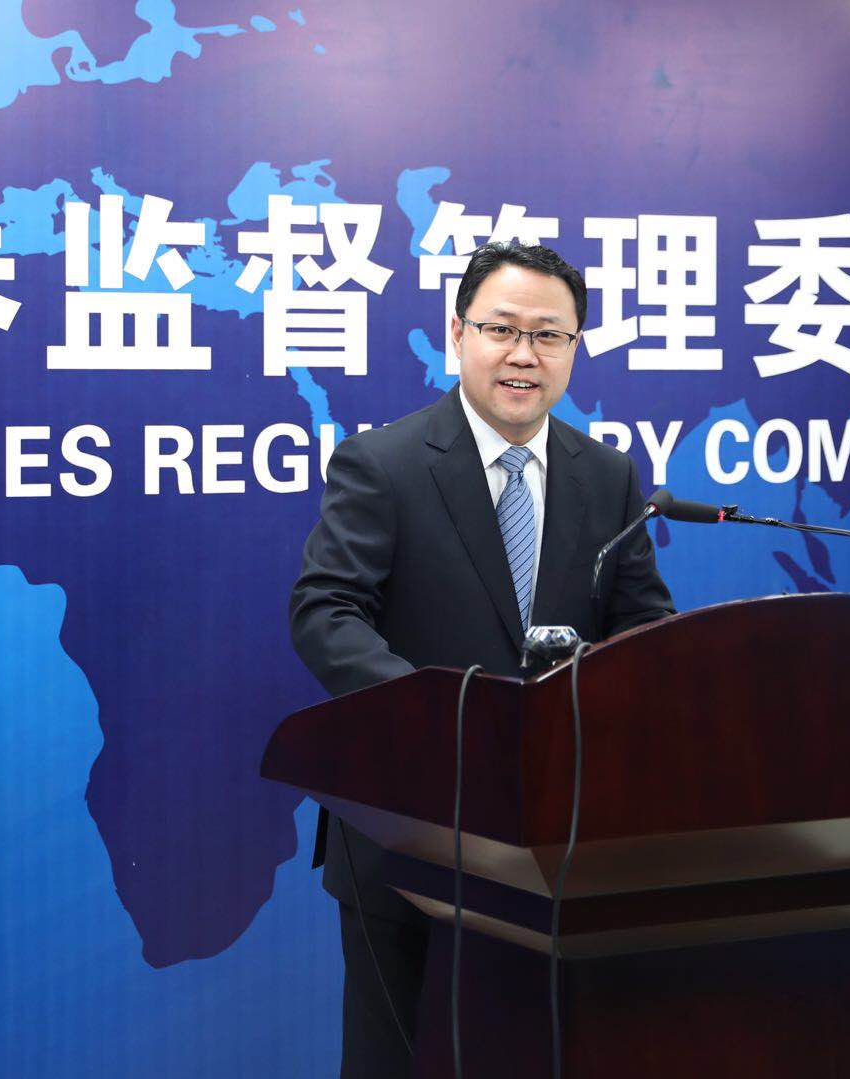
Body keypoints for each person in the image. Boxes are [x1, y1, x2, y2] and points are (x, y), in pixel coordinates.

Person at [289, 240, 674, 1078]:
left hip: (560, 843)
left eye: (548, 335)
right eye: (501, 329)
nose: (523, 354)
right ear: (457, 333)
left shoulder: (606, 475)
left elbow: (645, 624)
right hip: (407, 829)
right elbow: (326, 611)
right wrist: (435, 715)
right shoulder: (383, 463)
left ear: (574, 347)